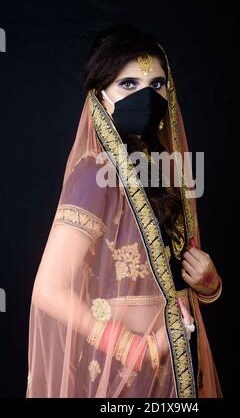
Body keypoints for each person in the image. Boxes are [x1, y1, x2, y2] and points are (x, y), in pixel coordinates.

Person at [26, 25, 223, 398]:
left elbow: (175, 277)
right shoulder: (94, 172)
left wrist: (209, 283)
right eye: (129, 85)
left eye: (157, 85)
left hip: (180, 362)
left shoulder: (166, 172)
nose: (147, 96)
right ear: (101, 97)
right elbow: (48, 289)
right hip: (124, 373)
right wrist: (132, 348)